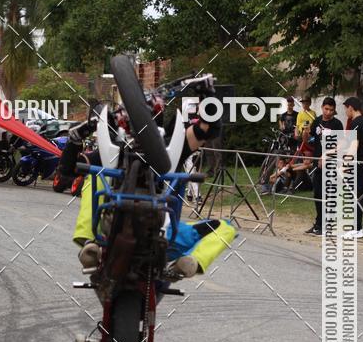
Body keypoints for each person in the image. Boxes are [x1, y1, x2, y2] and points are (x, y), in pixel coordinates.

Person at [56, 100, 237, 278]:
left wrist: (208, 99)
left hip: (162, 231)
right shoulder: (114, 151)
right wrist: (75, 138)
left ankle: (187, 263)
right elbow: (68, 170)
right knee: (95, 175)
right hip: (117, 226)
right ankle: (91, 244)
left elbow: (206, 129)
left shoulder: (172, 149)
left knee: (225, 227)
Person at [305, 98, 343, 235]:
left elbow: (340, 144)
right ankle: (319, 222)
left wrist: (327, 155)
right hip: (318, 162)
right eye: (326, 109)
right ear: (322, 108)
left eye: (331, 110)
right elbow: (310, 141)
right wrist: (305, 134)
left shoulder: (337, 124)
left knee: (329, 194)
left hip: (331, 163)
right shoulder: (317, 121)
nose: (328, 112)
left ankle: (328, 224)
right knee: (317, 193)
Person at [342, 96, 363, 238]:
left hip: (359, 163)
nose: (345, 112)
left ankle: (356, 228)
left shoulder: (356, 122)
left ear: (350, 107)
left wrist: (345, 164)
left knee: (355, 194)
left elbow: (353, 145)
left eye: (345, 108)